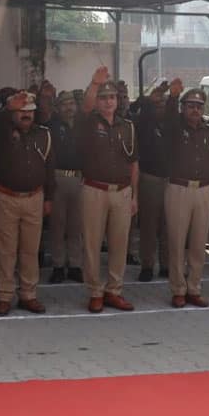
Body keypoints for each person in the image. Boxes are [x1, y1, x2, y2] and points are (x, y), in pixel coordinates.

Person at [77, 68, 138, 313]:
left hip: (122, 191)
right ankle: (95, 291)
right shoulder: (89, 122)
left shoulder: (128, 127)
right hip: (95, 190)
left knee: (119, 243)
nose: (108, 102)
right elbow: (85, 106)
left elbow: (134, 163)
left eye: (111, 97)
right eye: (103, 98)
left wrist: (135, 195)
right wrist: (94, 83)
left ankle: (114, 290)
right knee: (92, 243)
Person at [0, 91, 55, 315]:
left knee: (30, 250)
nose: (25, 115)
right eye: (21, 111)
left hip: (34, 198)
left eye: (29, 111)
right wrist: (7, 110)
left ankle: (28, 294)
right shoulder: (1, 131)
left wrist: (49, 198)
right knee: (5, 250)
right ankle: (4, 296)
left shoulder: (44, 134)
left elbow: (50, 170)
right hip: (5, 197)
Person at [161, 85, 209, 308]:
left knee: (198, 242)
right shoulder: (174, 127)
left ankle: (194, 287)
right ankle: (178, 289)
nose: (195, 110)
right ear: (183, 108)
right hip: (179, 188)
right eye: (190, 106)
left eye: (199, 106)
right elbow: (168, 118)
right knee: (176, 241)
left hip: (204, 189)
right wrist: (173, 97)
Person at [132, 80, 172, 282]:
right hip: (150, 180)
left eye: (163, 105)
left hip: (170, 181)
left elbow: (174, 109)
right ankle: (147, 265)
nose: (161, 108)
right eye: (157, 105)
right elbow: (138, 113)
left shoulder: (171, 125)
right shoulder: (145, 124)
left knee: (168, 226)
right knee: (148, 226)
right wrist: (149, 100)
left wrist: (171, 96)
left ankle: (166, 265)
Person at [46, 90, 84, 284]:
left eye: (71, 103)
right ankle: (58, 265)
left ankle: (75, 264)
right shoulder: (51, 126)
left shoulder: (83, 125)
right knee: (58, 225)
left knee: (76, 225)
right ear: (57, 108)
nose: (69, 107)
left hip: (79, 179)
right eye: (64, 104)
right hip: (58, 178)